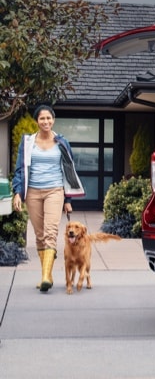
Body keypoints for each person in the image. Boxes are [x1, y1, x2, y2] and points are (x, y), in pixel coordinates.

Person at [11, 105, 85, 292]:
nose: (46, 121)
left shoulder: (62, 142)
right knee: (39, 235)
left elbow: (69, 170)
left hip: (55, 190)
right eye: (42, 118)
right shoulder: (27, 142)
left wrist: (68, 200)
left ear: (53, 120)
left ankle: (45, 277)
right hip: (33, 192)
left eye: (49, 118)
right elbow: (20, 169)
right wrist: (18, 192)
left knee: (50, 232)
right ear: (37, 121)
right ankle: (48, 274)